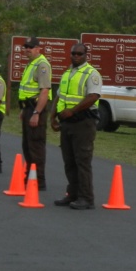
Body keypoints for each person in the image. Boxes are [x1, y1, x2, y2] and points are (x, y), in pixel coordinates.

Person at [51, 43, 102, 210]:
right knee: (69, 161)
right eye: (73, 53)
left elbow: (93, 96)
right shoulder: (67, 73)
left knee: (82, 161)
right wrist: (52, 117)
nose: (76, 56)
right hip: (67, 123)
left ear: (86, 54)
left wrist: (72, 111)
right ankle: (72, 194)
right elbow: (59, 96)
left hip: (83, 123)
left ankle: (86, 197)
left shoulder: (91, 74)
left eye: (79, 53)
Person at [18, 36, 52, 190]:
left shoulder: (42, 65)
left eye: (30, 47)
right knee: (27, 145)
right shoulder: (31, 64)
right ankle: (30, 177)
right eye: (26, 47)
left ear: (38, 48)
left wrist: (36, 112)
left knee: (35, 145)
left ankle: (38, 180)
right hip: (28, 108)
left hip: (36, 109)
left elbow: (44, 91)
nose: (27, 50)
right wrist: (23, 110)